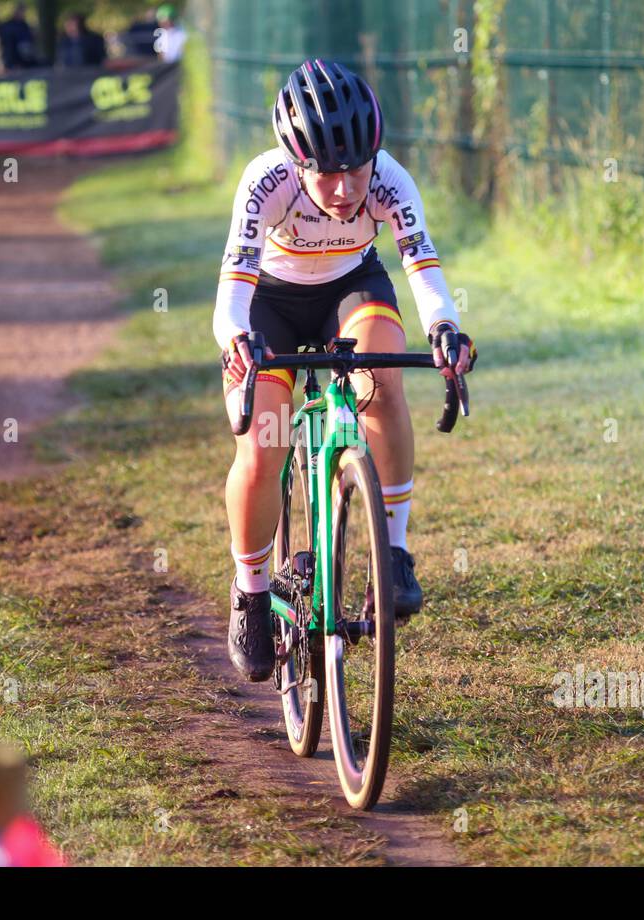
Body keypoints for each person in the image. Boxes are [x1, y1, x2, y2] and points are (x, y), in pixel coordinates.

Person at [214, 60, 475, 681]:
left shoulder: (390, 181)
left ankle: (395, 552)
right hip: (269, 303)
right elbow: (230, 296)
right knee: (260, 445)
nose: (343, 188)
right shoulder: (264, 182)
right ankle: (251, 592)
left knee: (383, 385)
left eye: (355, 168)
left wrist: (444, 328)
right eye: (325, 173)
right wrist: (237, 342)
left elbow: (424, 269)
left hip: (351, 289)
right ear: (296, 162)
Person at [0, 3, 37, 70]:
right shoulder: (9, 26)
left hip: (26, 58)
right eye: (21, 11)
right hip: (13, 60)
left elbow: (29, 39)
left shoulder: (24, 25)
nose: (23, 14)